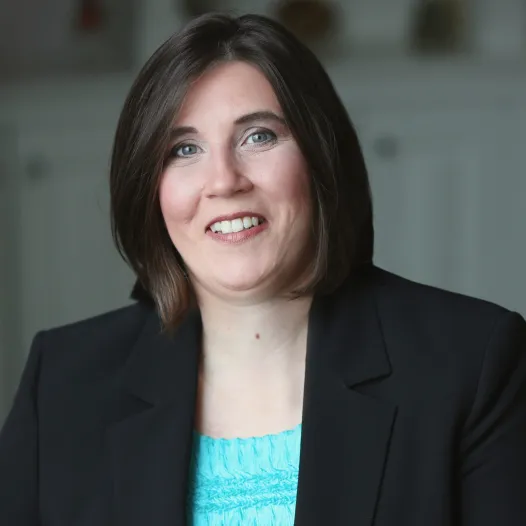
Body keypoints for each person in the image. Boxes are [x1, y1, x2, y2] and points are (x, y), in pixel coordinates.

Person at [1, 12, 525, 526]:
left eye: (259, 137)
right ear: (148, 188)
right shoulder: (63, 383)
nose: (224, 181)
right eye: (184, 149)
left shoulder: (472, 365)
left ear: (321, 157)